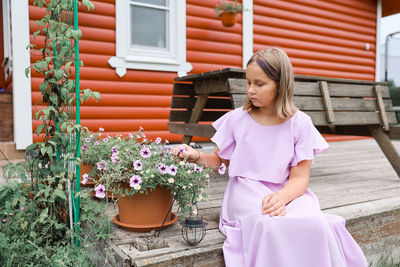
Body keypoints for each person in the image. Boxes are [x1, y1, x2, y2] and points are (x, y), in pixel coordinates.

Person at [173, 47, 368, 267]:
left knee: (314, 222)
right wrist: (195, 155)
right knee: (270, 224)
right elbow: (220, 161)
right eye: (248, 82)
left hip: (287, 191)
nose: (250, 90)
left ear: (280, 84)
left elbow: (300, 178)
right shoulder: (238, 119)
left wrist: (283, 197)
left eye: (259, 84)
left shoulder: (300, 124)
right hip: (246, 191)